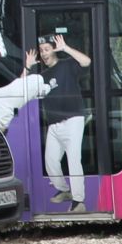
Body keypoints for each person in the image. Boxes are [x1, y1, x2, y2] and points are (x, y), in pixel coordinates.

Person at [34, 32, 91, 210]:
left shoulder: (67, 65)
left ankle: (78, 201)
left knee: (74, 160)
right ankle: (63, 190)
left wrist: (66, 48)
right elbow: (22, 87)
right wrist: (27, 68)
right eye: (41, 50)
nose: (43, 53)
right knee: (50, 160)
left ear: (54, 50)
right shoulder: (42, 75)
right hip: (54, 124)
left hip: (73, 119)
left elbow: (86, 62)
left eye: (47, 49)